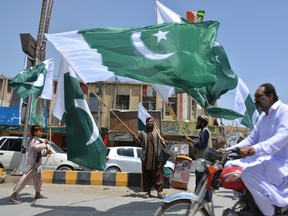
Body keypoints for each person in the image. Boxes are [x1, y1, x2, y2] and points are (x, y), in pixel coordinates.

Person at [226, 83, 288, 216]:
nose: (256, 101)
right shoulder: (263, 117)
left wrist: (254, 149)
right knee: (228, 166)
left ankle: (270, 212)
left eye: (259, 97)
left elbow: (280, 138)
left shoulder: (284, 111)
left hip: (279, 163)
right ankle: (246, 201)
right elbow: (251, 139)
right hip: (262, 160)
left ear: (270, 96)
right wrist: (229, 149)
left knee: (248, 174)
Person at [9, 125, 51, 204]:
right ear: (35, 132)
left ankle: (38, 194)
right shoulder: (33, 140)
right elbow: (35, 147)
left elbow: (39, 152)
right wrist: (44, 144)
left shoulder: (37, 140)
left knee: (38, 179)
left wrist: (46, 153)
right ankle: (13, 196)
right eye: (40, 131)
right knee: (25, 179)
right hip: (32, 164)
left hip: (37, 164)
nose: (41, 133)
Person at [134, 117, 167, 199]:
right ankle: (147, 192)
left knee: (158, 175)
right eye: (148, 121)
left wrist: (164, 140)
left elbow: (166, 142)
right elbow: (138, 141)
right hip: (146, 158)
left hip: (157, 158)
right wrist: (135, 138)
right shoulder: (142, 133)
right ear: (146, 123)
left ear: (153, 122)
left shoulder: (158, 132)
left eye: (151, 121)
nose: (149, 123)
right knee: (146, 176)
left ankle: (159, 193)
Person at [186, 115, 213, 202]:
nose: (197, 123)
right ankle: (206, 197)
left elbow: (201, 145)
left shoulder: (205, 131)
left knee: (200, 178)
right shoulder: (203, 131)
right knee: (204, 179)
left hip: (203, 160)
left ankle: (197, 196)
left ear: (202, 122)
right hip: (204, 159)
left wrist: (191, 141)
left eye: (198, 121)